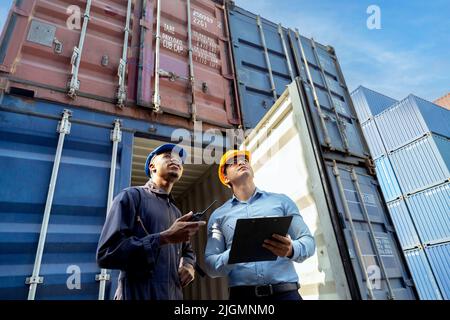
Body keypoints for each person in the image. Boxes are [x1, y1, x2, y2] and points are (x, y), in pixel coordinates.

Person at [96, 143, 205, 300]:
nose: (175, 160)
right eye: (168, 156)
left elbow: (186, 250)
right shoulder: (132, 197)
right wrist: (163, 238)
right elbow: (106, 253)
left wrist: (188, 264)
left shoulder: (176, 211)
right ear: (152, 166)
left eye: (179, 160)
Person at [204, 150, 316, 301]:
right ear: (225, 177)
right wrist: (235, 253)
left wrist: (291, 249)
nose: (242, 162)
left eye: (245, 160)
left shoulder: (281, 202)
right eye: (234, 161)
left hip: (286, 294)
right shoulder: (218, 216)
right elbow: (211, 266)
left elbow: (308, 241)